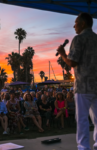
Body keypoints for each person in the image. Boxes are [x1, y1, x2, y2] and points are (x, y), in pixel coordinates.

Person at [57, 12, 97, 150]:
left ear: (83, 23)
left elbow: (72, 62)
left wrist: (62, 54)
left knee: (82, 120)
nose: (74, 25)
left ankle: (83, 147)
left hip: (83, 85)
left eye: (76, 22)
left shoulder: (78, 39)